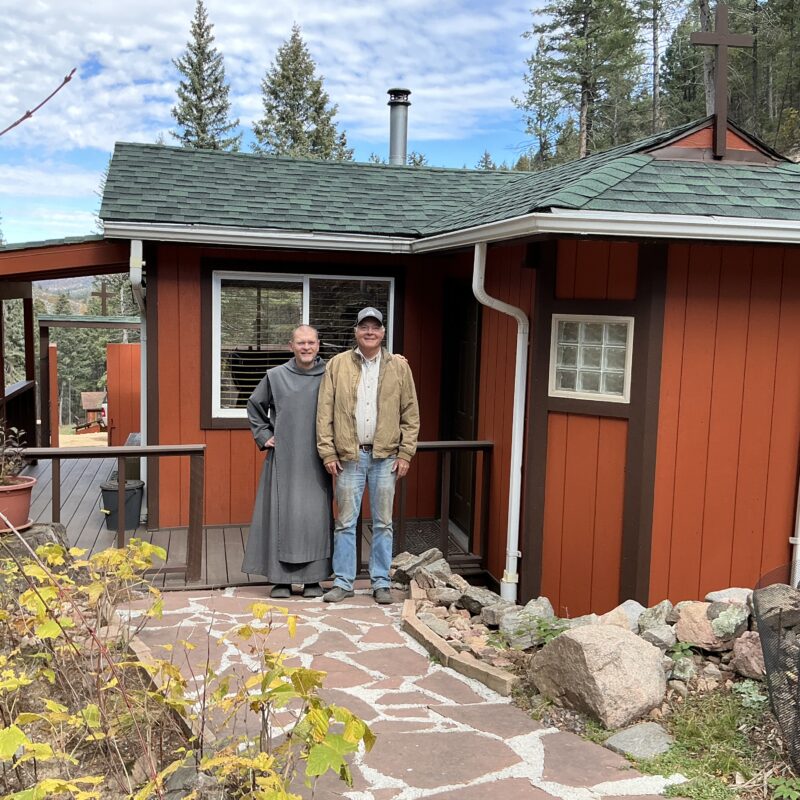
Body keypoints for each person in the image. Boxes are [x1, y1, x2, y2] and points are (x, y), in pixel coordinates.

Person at [316, 307, 420, 604]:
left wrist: (405, 453)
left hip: (385, 457)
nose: (370, 332)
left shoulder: (399, 367)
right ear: (356, 331)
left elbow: (410, 414)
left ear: (383, 332)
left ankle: (380, 581)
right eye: (365, 327)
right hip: (349, 457)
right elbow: (324, 412)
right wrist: (327, 451)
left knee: (383, 523)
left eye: (375, 327)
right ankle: (344, 581)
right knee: (346, 522)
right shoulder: (337, 365)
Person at [242, 325, 332, 598]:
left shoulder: (331, 374)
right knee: (280, 517)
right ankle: (280, 580)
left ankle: (314, 579)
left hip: (318, 459)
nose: (306, 347)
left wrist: (395, 359)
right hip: (283, 460)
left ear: (318, 345)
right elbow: (254, 405)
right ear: (291, 345)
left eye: (311, 343)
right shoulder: (276, 376)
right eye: (300, 343)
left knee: (315, 520)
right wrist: (264, 434)